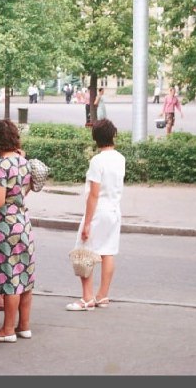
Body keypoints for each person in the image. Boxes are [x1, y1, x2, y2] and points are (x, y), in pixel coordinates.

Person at [66, 119, 125, 311]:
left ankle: (87, 298)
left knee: (85, 252)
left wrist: (87, 223)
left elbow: (94, 194)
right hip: (114, 210)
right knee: (108, 251)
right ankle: (103, 295)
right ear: (113, 135)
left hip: (98, 211)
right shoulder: (120, 158)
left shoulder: (97, 161)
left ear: (95, 139)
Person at [0, 120, 35, 342]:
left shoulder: (0, 166)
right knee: (24, 275)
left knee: (10, 277)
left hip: (6, 225)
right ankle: (23, 326)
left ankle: (7, 330)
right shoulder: (23, 162)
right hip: (23, 221)